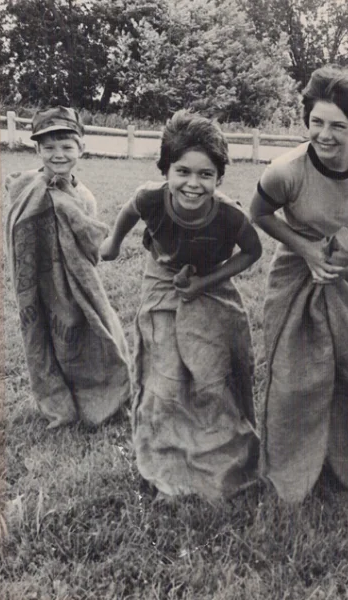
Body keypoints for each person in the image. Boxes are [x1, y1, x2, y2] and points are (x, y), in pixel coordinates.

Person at [250, 64, 348, 507]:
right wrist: (305, 250)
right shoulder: (287, 170)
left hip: (346, 273)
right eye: (316, 121)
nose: (324, 134)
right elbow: (258, 215)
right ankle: (292, 471)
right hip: (295, 271)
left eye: (338, 125)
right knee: (294, 372)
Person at [100, 110, 262, 501]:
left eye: (205, 174)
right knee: (164, 374)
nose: (193, 183)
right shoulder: (150, 198)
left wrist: (205, 283)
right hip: (162, 277)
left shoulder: (230, 215)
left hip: (212, 281)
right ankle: (165, 464)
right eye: (182, 172)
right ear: (166, 171)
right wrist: (112, 243)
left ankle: (222, 458)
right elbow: (129, 213)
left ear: (219, 178)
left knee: (211, 374)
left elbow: (252, 252)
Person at [4, 106, 131, 429]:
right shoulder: (27, 190)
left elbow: (88, 244)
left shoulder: (83, 196)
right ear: (37, 150)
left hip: (75, 279)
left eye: (66, 146)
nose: (58, 154)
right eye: (48, 147)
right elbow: (18, 230)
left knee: (81, 331)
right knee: (44, 337)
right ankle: (58, 404)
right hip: (37, 279)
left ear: (81, 148)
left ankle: (98, 394)